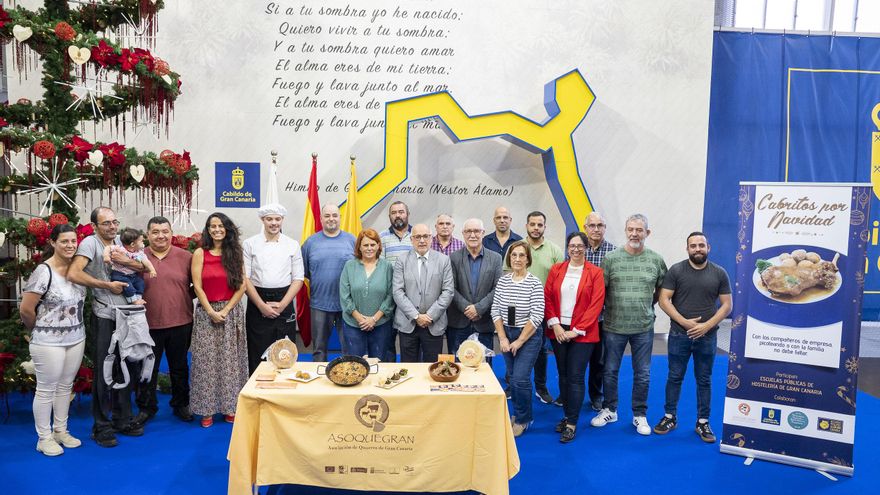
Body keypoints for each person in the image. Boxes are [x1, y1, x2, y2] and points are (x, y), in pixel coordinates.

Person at [68, 206, 143, 447]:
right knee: (104, 370)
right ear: (94, 226)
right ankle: (101, 426)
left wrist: (133, 264)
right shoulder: (90, 244)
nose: (112, 227)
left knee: (126, 367)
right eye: (106, 223)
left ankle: (123, 418)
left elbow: (142, 265)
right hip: (104, 315)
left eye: (114, 222)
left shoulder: (122, 241)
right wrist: (106, 285)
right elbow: (74, 273)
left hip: (128, 315)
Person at [591, 214, 667, 436]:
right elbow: (601, 292)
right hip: (614, 326)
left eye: (639, 230)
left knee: (642, 373)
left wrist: (645, 305)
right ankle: (610, 409)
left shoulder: (656, 260)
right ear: (626, 231)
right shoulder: (612, 259)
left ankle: (639, 414)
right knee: (610, 370)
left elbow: (662, 290)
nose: (634, 234)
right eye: (630, 229)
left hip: (643, 327)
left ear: (647, 233)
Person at [654, 232, 731, 443]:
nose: (697, 249)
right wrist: (686, 322)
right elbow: (663, 300)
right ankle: (670, 417)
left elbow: (727, 305)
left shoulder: (719, 273)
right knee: (674, 376)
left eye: (701, 245)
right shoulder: (676, 270)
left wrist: (706, 325)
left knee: (704, 380)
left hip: (707, 337)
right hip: (679, 334)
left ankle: (703, 422)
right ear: (687, 248)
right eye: (693, 245)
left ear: (709, 247)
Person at [19, 224, 86, 456]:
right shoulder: (43, 271)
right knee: (46, 389)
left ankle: (61, 430)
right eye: (64, 241)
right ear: (53, 243)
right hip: (47, 341)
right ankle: (44, 437)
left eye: (73, 241)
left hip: (76, 337)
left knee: (66, 386)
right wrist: (39, 330)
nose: (70, 245)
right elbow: (26, 309)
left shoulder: (78, 268)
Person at [544, 232, 605, 443]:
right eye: (572, 245)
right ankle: (567, 414)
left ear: (586, 248)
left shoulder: (595, 273)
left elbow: (596, 304)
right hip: (558, 330)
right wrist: (556, 325)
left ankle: (571, 423)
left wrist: (576, 329)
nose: (576, 249)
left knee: (576, 375)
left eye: (580, 246)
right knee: (563, 375)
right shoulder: (556, 269)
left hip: (583, 332)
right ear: (567, 248)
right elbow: (548, 297)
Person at [135, 216, 194, 426]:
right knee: (147, 369)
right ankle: (146, 407)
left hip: (181, 321)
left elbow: (198, 288)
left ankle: (181, 404)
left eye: (165, 231)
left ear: (171, 233)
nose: (161, 235)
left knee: (179, 367)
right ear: (147, 235)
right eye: (156, 232)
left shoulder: (186, 257)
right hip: (146, 324)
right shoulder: (136, 257)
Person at [191, 213, 248, 428]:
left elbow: (242, 285)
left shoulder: (235, 253)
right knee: (206, 362)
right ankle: (206, 409)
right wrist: (211, 311)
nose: (217, 229)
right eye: (212, 226)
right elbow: (197, 286)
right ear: (208, 229)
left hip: (231, 312)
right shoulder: (200, 253)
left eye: (221, 225)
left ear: (227, 229)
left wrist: (225, 310)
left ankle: (230, 406)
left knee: (230, 362)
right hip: (207, 313)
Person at [492, 241, 545, 437]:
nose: (517, 259)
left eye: (522, 255)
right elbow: (495, 310)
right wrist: (503, 339)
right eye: (514, 255)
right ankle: (519, 413)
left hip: (528, 336)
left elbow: (537, 315)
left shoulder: (534, 283)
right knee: (513, 378)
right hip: (507, 334)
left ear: (528, 259)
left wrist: (520, 341)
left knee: (520, 378)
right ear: (509, 258)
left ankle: (523, 419)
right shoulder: (503, 281)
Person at [242, 204, 303, 374]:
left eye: (277, 219)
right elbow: (245, 278)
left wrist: (282, 305)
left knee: (285, 350)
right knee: (257, 349)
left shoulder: (292, 244)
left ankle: (285, 392)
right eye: (269, 219)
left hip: (285, 299)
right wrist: (262, 306)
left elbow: (298, 278)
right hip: (257, 300)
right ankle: (257, 392)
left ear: (282, 220)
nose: (274, 223)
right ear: (263, 220)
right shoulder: (250, 244)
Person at [392, 224, 454, 363]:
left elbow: (448, 291)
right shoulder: (402, 260)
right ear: (411, 240)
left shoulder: (443, 260)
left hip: (434, 323)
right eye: (417, 237)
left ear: (431, 238)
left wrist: (430, 316)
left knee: (432, 368)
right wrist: (415, 316)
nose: (422, 240)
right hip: (408, 324)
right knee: (408, 368)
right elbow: (397, 291)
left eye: (425, 236)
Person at [302, 204, 355, 361]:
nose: (331, 219)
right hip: (319, 305)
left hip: (347, 305)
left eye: (334, 215)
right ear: (321, 218)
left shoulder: (352, 240)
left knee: (349, 348)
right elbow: (305, 272)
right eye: (327, 216)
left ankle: (349, 381)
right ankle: (318, 383)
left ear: (339, 217)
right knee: (319, 350)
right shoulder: (310, 243)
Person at [522, 211, 564, 405]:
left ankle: (540, 386)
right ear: (527, 226)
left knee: (540, 350)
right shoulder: (517, 248)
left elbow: (559, 283)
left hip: (545, 310)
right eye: (533, 224)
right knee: (515, 346)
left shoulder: (555, 251)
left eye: (540, 225)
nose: (536, 228)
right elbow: (506, 277)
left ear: (544, 227)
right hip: (520, 308)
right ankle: (513, 384)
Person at [447, 218, 502, 359]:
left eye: (476, 231)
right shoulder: (453, 258)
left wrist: (478, 308)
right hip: (459, 322)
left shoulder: (495, 258)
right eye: (468, 231)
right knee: (458, 365)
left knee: (484, 367)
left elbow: (498, 288)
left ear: (483, 233)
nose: (473, 235)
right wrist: (468, 308)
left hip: (484, 322)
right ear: (463, 234)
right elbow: (450, 288)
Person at [339, 229, 395, 358]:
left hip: (380, 324)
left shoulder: (387, 267)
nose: (369, 248)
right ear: (359, 247)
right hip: (353, 324)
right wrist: (360, 319)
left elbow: (390, 296)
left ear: (378, 246)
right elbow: (344, 296)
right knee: (355, 364)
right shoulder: (349, 266)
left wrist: (374, 319)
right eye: (365, 245)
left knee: (379, 362)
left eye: (372, 244)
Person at [583, 212, 616, 411]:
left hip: (602, 318)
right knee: (573, 360)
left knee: (599, 360)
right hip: (577, 317)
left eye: (600, 225)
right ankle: (568, 393)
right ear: (585, 227)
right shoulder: (577, 250)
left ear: (605, 228)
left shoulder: (614, 253)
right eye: (592, 225)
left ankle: (596, 395)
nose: (596, 229)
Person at [380, 200, 413, 361]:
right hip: (389, 297)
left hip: (413, 298)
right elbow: (379, 269)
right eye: (394, 213)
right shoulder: (382, 237)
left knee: (411, 341)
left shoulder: (418, 236)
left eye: (401, 211)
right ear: (389, 216)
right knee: (387, 340)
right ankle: (389, 374)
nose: (398, 215)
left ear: (407, 214)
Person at [103, 227, 156, 305]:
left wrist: (152, 270)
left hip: (133, 275)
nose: (143, 243)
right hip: (119, 274)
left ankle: (138, 297)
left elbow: (146, 262)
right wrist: (106, 256)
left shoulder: (139, 253)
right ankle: (133, 300)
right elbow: (108, 247)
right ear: (132, 244)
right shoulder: (120, 249)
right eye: (141, 241)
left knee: (140, 282)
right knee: (127, 285)